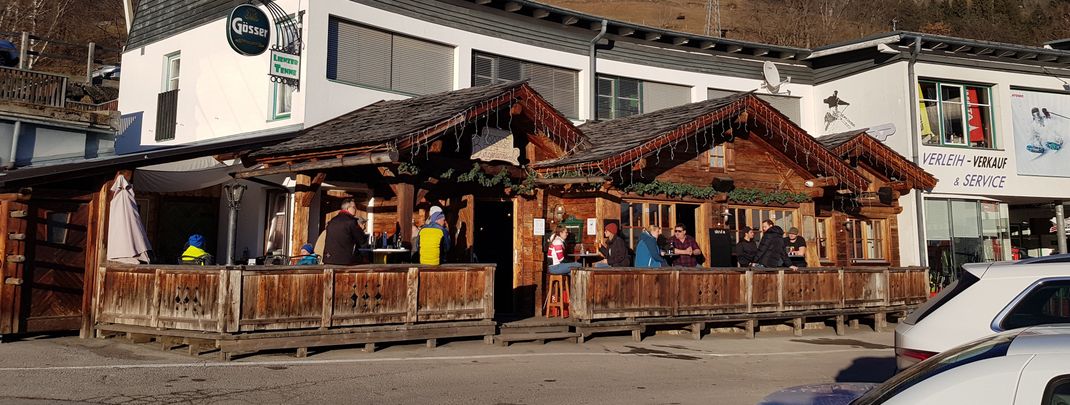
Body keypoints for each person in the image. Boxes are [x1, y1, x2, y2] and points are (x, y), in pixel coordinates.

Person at [324, 199, 364, 265]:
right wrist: (361, 229)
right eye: (354, 207)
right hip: (343, 261)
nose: (356, 209)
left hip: (328, 259)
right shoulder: (351, 222)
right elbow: (362, 240)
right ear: (348, 208)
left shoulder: (332, 221)